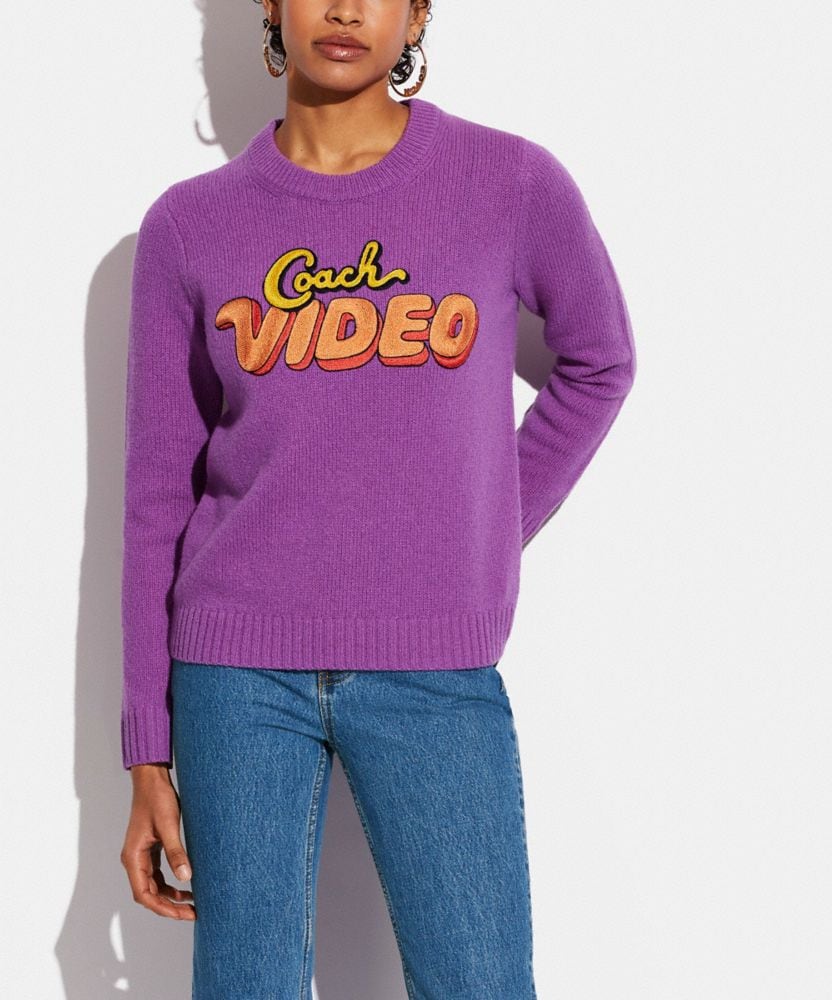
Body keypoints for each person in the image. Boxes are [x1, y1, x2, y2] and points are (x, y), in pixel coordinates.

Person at [119, 1, 636, 996]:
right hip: (234, 676)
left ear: (419, 11)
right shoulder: (190, 225)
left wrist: (483, 529)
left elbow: (599, 361)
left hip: (435, 667)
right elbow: (155, 497)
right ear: (271, 5)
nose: (346, 8)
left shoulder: (510, 183)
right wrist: (147, 747)